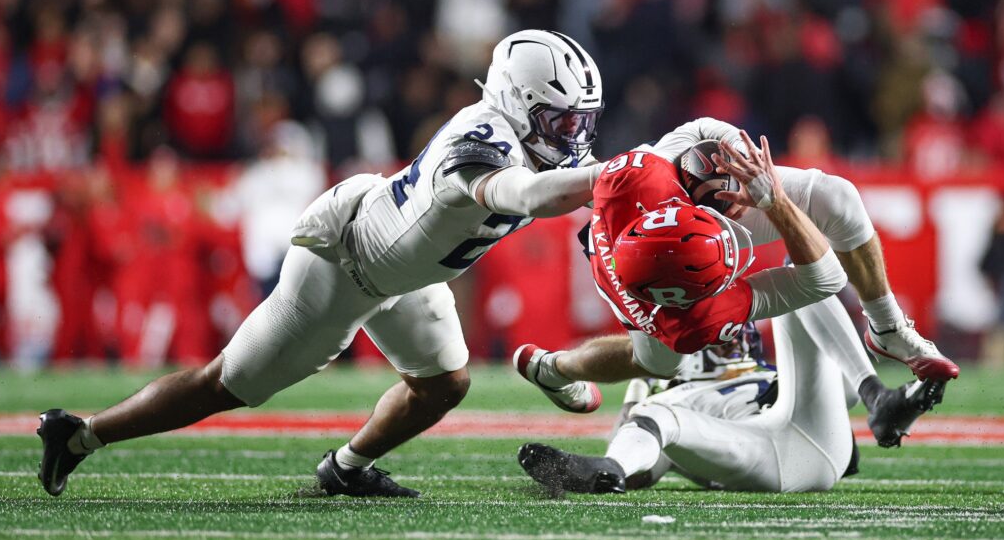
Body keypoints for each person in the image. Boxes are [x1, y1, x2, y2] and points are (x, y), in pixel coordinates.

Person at [37, 30, 606, 499]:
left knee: (444, 385)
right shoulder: (484, 139)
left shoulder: (539, 149)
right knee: (226, 385)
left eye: (581, 122)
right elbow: (533, 195)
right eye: (561, 121)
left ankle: (346, 467)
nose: (573, 135)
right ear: (515, 102)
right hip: (346, 262)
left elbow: (586, 190)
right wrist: (617, 175)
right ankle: (81, 435)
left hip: (407, 271)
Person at [514, 118, 956, 442]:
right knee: (660, 361)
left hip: (639, 222)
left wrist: (737, 156)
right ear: (708, 290)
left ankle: (888, 327)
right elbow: (823, 278)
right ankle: (556, 369)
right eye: (727, 260)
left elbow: (699, 127)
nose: (739, 248)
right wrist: (776, 204)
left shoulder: (637, 176)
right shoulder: (691, 323)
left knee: (836, 196)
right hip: (641, 281)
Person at [519, 295, 936, 494]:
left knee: (808, 279)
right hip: (756, 456)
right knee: (655, 415)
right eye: (710, 327)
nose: (728, 335)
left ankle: (879, 396)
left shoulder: (768, 373)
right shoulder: (671, 394)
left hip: (807, 430)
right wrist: (635, 399)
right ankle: (599, 469)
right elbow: (643, 470)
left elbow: (837, 392)